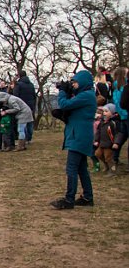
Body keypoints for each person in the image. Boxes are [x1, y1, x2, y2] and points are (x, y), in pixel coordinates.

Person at [51, 70, 97, 209]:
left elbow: (65, 104)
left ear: (83, 82)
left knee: (71, 168)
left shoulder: (86, 95)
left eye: (75, 82)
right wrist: (69, 90)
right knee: (81, 168)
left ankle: (69, 199)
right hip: (79, 134)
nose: (74, 85)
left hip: (79, 135)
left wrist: (63, 92)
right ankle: (88, 197)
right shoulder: (86, 95)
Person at [94, 104, 123, 176]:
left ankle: (113, 171)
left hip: (110, 144)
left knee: (109, 157)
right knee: (98, 154)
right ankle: (106, 165)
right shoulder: (102, 122)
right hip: (102, 143)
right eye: (103, 111)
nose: (104, 113)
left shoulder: (113, 123)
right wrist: (96, 140)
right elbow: (98, 131)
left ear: (112, 113)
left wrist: (116, 143)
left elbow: (118, 134)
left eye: (106, 111)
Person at [13, 71, 37, 143]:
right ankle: (29, 138)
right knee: (30, 122)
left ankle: (23, 139)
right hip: (31, 105)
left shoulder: (18, 84)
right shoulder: (31, 85)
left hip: (22, 106)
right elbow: (34, 96)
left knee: (22, 123)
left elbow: (15, 95)